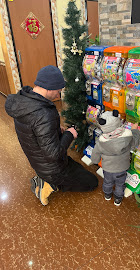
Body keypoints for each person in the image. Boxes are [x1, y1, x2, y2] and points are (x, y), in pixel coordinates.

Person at [5, 65, 98, 206]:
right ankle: (49, 184)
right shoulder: (43, 114)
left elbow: (34, 132)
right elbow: (54, 154)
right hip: (52, 168)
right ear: (48, 88)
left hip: (39, 163)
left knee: (78, 169)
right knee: (92, 182)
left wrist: (53, 129)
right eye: (58, 90)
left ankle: (43, 177)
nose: (59, 94)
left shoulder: (24, 101)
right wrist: (69, 134)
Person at [91, 110, 140, 206]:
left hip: (108, 169)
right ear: (117, 120)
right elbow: (136, 142)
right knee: (120, 184)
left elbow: (95, 155)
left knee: (107, 182)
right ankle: (118, 199)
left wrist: (95, 161)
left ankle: (107, 195)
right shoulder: (127, 137)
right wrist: (134, 130)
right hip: (122, 169)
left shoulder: (101, 142)